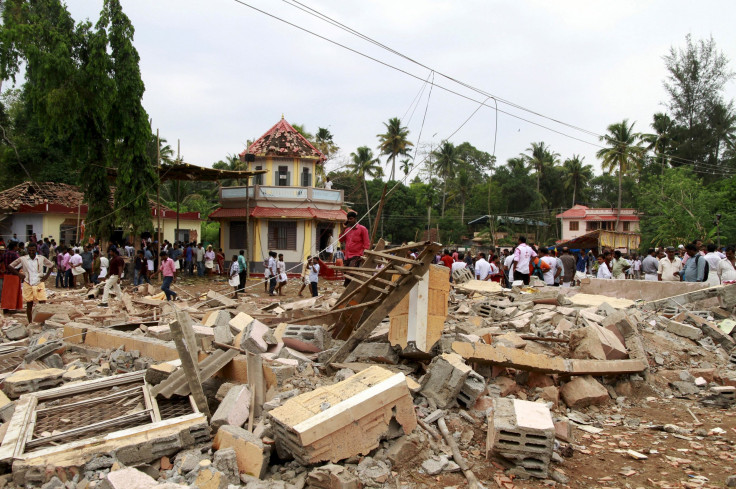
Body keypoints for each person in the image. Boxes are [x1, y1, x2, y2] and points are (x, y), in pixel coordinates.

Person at [7, 242, 56, 320]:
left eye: (33, 250)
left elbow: (51, 265)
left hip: (39, 282)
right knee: (29, 304)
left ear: (36, 250)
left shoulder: (41, 258)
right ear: (27, 250)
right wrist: (19, 274)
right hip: (28, 283)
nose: (31, 252)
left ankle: (42, 321)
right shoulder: (23, 259)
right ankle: (30, 323)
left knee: (42, 303)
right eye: (29, 250)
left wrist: (46, 276)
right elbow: (10, 266)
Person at [338, 210, 370, 286]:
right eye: (348, 219)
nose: (349, 220)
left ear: (355, 219)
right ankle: (348, 288)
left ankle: (348, 287)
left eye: (351, 218)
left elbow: (366, 243)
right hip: (347, 256)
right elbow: (341, 239)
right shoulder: (347, 230)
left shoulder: (362, 229)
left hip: (357, 255)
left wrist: (365, 254)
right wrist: (343, 228)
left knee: (351, 273)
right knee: (346, 273)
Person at [1, 242, 23, 313]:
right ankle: (13, 307)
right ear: (14, 247)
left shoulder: (4, 254)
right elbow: (20, 263)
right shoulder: (15, 254)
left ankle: (5, 308)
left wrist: (2, 270)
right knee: (14, 292)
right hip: (14, 275)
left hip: (7, 275)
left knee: (6, 293)